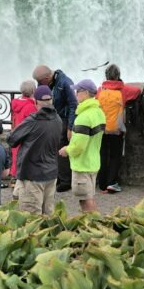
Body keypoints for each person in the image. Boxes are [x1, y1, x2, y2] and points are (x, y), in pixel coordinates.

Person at [8, 85, 64, 213]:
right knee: (47, 214)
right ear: (51, 100)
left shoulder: (33, 121)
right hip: (51, 173)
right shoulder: (58, 120)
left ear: (36, 101)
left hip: (32, 174)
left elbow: (12, 139)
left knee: (31, 217)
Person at [59, 79, 106, 212]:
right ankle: (93, 225)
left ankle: (94, 226)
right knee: (89, 197)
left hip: (82, 164)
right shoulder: (99, 113)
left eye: (77, 91)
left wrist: (66, 150)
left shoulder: (83, 117)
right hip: (93, 161)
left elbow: (79, 146)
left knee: (86, 200)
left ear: (85, 93)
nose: (75, 94)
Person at [32, 64, 77, 192]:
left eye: (39, 81)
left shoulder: (65, 83)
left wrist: (70, 127)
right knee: (53, 148)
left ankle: (65, 180)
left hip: (63, 119)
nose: (38, 84)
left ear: (47, 77)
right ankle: (57, 177)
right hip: (53, 118)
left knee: (61, 148)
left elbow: (73, 104)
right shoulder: (49, 83)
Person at [96, 64, 133, 193]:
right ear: (118, 76)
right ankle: (112, 183)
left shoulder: (100, 90)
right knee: (115, 156)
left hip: (102, 128)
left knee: (102, 154)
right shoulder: (123, 90)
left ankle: (101, 184)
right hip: (117, 130)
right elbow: (137, 92)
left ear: (106, 76)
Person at [9, 80, 38, 178]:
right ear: (34, 90)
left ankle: (14, 178)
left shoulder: (15, 103)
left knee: (16, 157)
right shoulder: (31, 107)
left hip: (16, 134)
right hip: (26, 136)